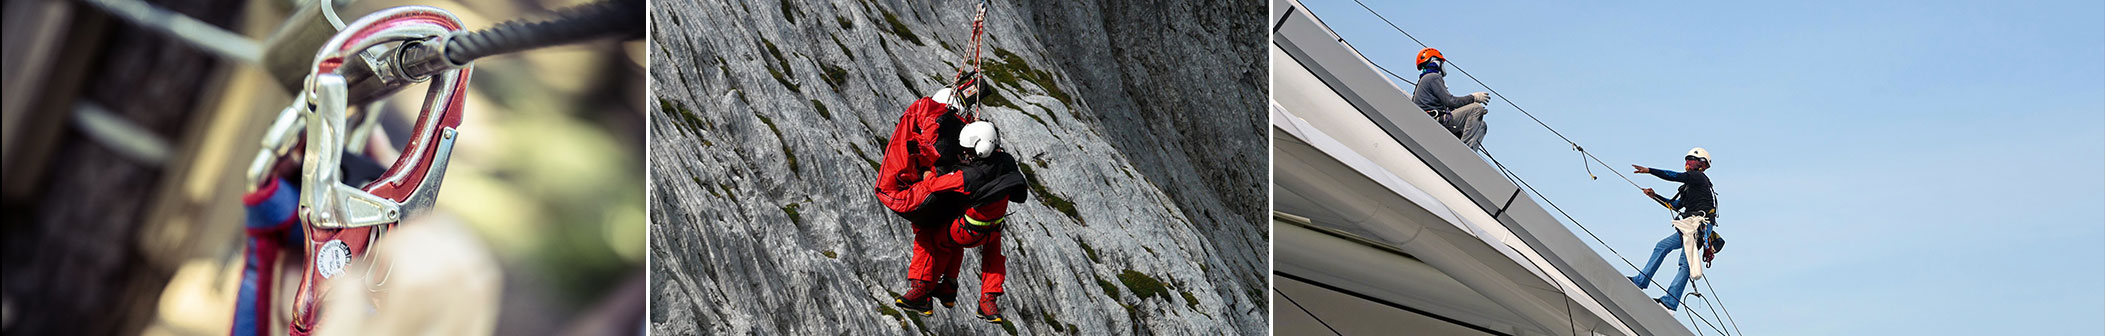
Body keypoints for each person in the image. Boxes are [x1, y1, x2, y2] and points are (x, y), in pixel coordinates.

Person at [877, 72, 1026, 323]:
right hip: (993, 229)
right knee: (991, 257)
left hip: (968, 231)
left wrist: (925, 173)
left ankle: (921, 291)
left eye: (967, 152)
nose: (963, 155)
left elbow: (935, 185)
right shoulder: (1005, 161)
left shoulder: (968, 176)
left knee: (931, 236)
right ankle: (986, 299)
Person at [1626, 147, 1718, 311]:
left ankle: (1670, 302)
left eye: (1691, 159)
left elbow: (1674, 176)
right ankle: (1641, 281)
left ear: (1701, 164)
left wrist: (1649, 171)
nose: (1687, 163)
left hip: (1699, 226)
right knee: (1662, 246)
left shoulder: (1698, 177)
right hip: (1689, 225)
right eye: (1687, 159)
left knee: (1685, 263)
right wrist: (1655, 196)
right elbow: (1675, 205)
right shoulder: (1689, 187)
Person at [1411, 47, 1493, 150]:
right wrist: (1474, 98)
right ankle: (1465, 151)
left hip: (1438, 118)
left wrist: (1472, 115)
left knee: (1481, 125)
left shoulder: (1427, 79)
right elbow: (1451, 101)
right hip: (1436, 120)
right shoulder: (1433, 77)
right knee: (1476, 108)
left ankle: (1470, 152)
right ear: (1436, 62)